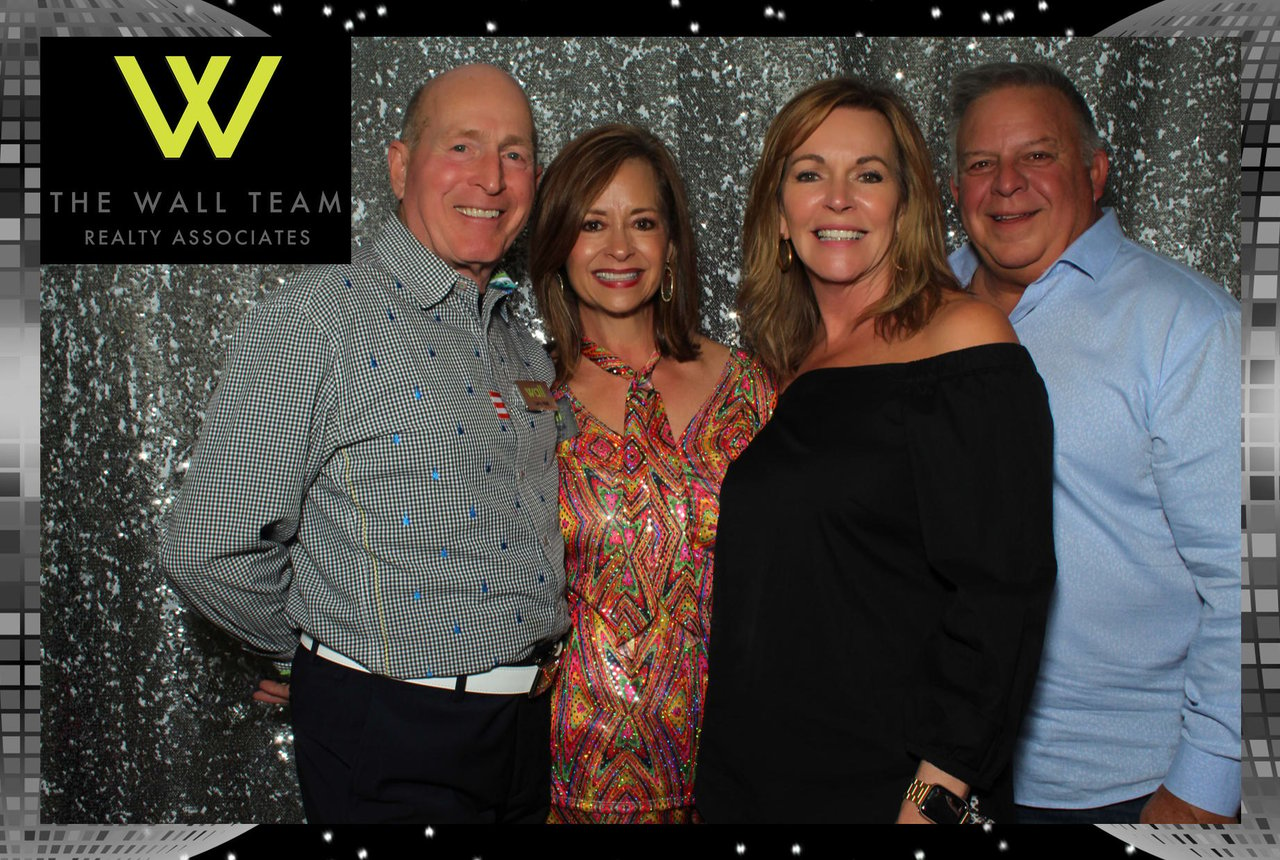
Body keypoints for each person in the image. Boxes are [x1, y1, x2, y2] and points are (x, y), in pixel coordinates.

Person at [159, 63, 569, 824]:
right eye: (464, 146)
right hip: (395, 738)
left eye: (515, 154)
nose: (491, 178)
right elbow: (207, 546)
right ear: (400, 164)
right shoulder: (319, 319)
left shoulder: (518, 341)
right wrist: (315, 653)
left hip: (526, 735)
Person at [694, 77, 1057, 824]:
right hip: (757, 783)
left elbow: (1001, 601)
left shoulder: (965, 341)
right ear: (779, 213)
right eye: (808, 173)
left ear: (906, 203)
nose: (837, 198)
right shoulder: (787, 364)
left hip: (887, 796)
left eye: (868, 174)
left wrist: (932, 801)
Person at [946, 61, 1241, 825]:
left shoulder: (1187, 325)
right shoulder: (911, 311)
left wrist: (1201, 791)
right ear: (955, 189)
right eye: (981, 163)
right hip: (936, 775)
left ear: (1095, 170)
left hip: (1124, 791)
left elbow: (1246, 582)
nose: (1006, 183)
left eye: (1037, 155)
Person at [527, 124, 776, 823]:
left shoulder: (751, 390)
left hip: (734, 770)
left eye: (642, 222)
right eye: (591, 224)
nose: (619, 249)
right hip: (562, 781)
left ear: (670, 245)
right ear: (556, 246)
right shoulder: (524, 399)